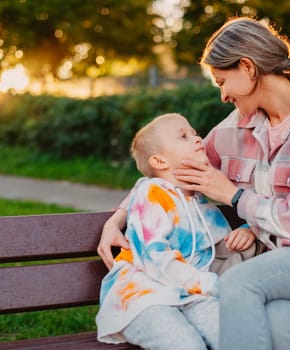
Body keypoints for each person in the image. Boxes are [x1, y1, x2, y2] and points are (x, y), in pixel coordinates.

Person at [98, 16, 290, 349]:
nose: (223, 95)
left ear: (248, 68)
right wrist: (119, 217)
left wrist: (234, 195)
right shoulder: (235, 130)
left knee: (239, 282)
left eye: (222, 81)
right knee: (278, 329)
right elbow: (176, 173)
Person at [95, 113, 256, 350]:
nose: (197, 138)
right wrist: (210, 284)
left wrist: (247, 229)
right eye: (183, 136)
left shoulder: (200, 202)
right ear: (160, 162)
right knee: (186, 345)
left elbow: (221, 249)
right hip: (144, 298)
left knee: (234, 339)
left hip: (191, 295)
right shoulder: (151, 194)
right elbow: (156, 258)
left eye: (194, 132)